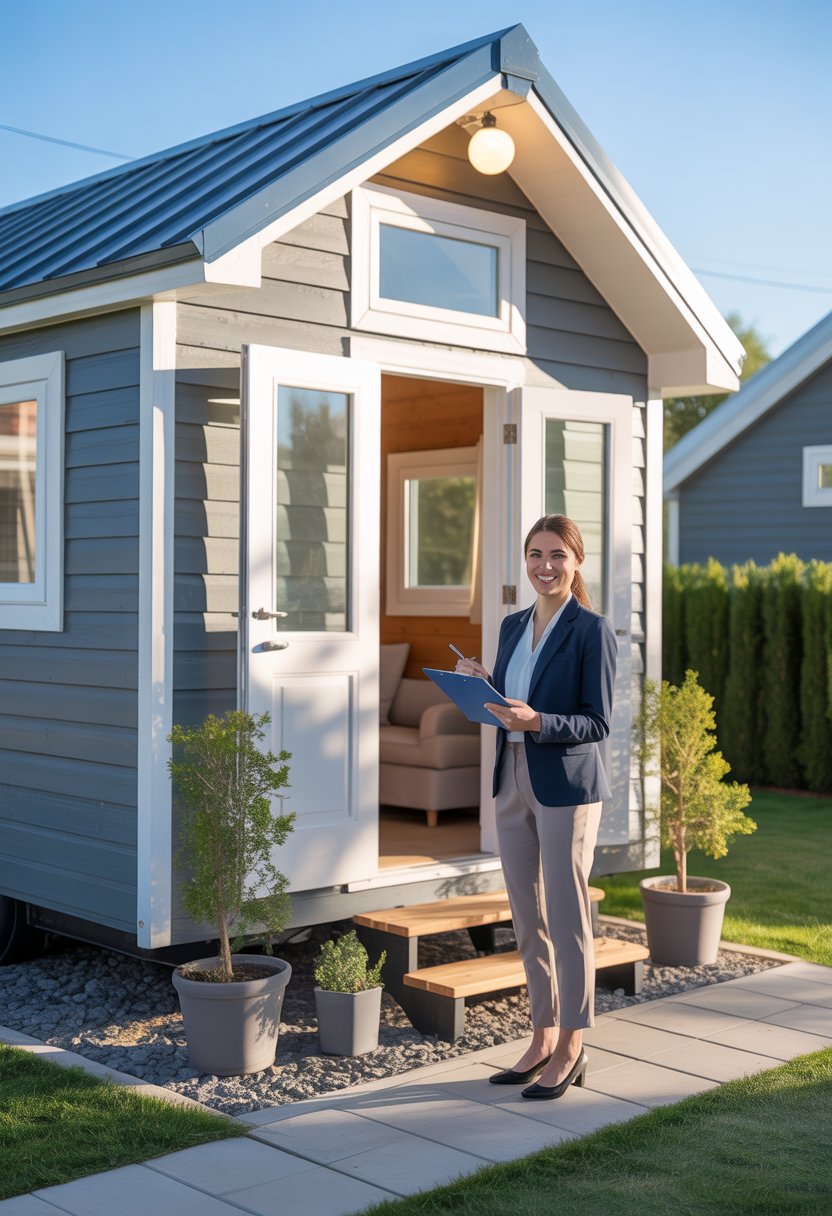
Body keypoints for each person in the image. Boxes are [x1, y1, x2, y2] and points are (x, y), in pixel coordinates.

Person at [455, 514, 616, 1100]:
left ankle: (573, 1046)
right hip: (511, 777)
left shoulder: (590, 630)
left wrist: (538, 721)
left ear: (576, 562)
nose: (544, 566)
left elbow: (596, 721)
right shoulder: (511, 625)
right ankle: (542, 1036)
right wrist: (484, 684)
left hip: (565, 786)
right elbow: (512, 700)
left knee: (567, 918)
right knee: (526, 914)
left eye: (556, 556)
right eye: (534, 555)